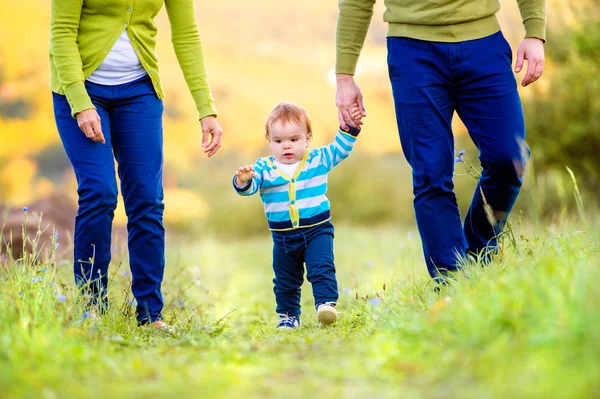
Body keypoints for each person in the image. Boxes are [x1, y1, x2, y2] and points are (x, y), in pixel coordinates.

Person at [335, 0, 546, 282]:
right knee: (431, 172)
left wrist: (534, 31)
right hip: (413, 51)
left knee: (511, 157)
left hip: (483, 44)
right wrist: (344, 76)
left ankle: (478, 256)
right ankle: (453, 284)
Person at [50, 0, 223, 327]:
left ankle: (150, 314)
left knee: (146, 198)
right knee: (99, 192)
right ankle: (92, 311)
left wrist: (206, 109)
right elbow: (61, 34)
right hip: (81, 90)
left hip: (139, 91)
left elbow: (186, 35)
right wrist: (79, 102)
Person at [233, 102, 362, 329]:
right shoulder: (264, 168)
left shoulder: (318, 159)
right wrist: (244, 180)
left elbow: (341, 149)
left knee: (321, 267)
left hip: (317, 230)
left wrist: (349, 128)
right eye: (279, 141)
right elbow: (251, 187)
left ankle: (325, 305)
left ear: (307, 139)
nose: (286, 146)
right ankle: (288, 316)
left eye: (294, 140)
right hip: (282, 238)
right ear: (269, 142)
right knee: (285, 280)